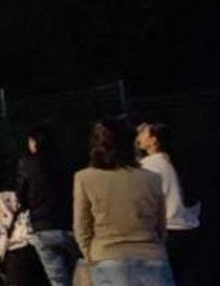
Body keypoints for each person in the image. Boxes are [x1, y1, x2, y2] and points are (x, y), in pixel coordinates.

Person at [73, 118, 171, 286]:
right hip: (151, 255)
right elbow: (160, 224)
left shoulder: (85, 178)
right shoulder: (152, 178)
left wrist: (92, 255)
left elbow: (82, 226)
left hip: (107, 256)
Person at [136, 123, 201, 286]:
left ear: (153, 140)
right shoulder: (173, 161)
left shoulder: (149, 165)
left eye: (143, 133)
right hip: (188, 227)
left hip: (168, 230)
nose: (138, 135)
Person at [18, 126, 76, 286]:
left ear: (35, 142)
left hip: (42, 226)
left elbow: (21, 196)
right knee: (76, 274)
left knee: (57, 278)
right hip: (67, 223)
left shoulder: (27, 163)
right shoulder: (64, 161)